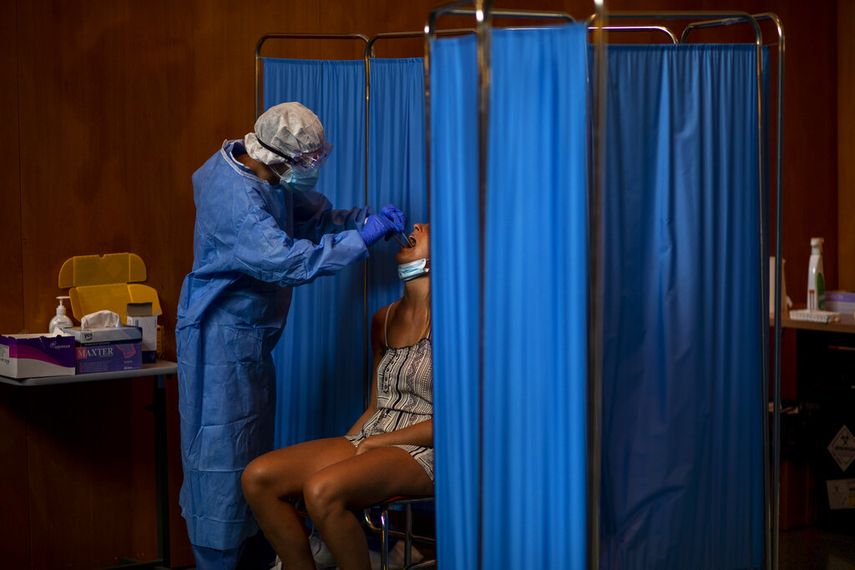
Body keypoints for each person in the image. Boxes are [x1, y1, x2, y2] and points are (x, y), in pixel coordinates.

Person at [175, 101, 406, 570]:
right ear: (279, 157)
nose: (312, 172)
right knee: (218, 465)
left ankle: (256, 553)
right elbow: (289, 261)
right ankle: (215, 561)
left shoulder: (267, 174)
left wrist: (363, 222)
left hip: (250, 340)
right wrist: (361, 241)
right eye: (308, 163)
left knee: (250, 456)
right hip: (220, 340)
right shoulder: (236, 200)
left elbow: (313, 217)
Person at [241, 223, 434, 570]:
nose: (416, 225)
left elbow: (452, 425)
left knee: (321, 489)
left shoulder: (456, 324)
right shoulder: (383, 319)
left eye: (427, 229)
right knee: (258, 477)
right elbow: (376, 405)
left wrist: (375, 447)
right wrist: (350, 448)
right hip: (374, 433)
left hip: (426, 450)